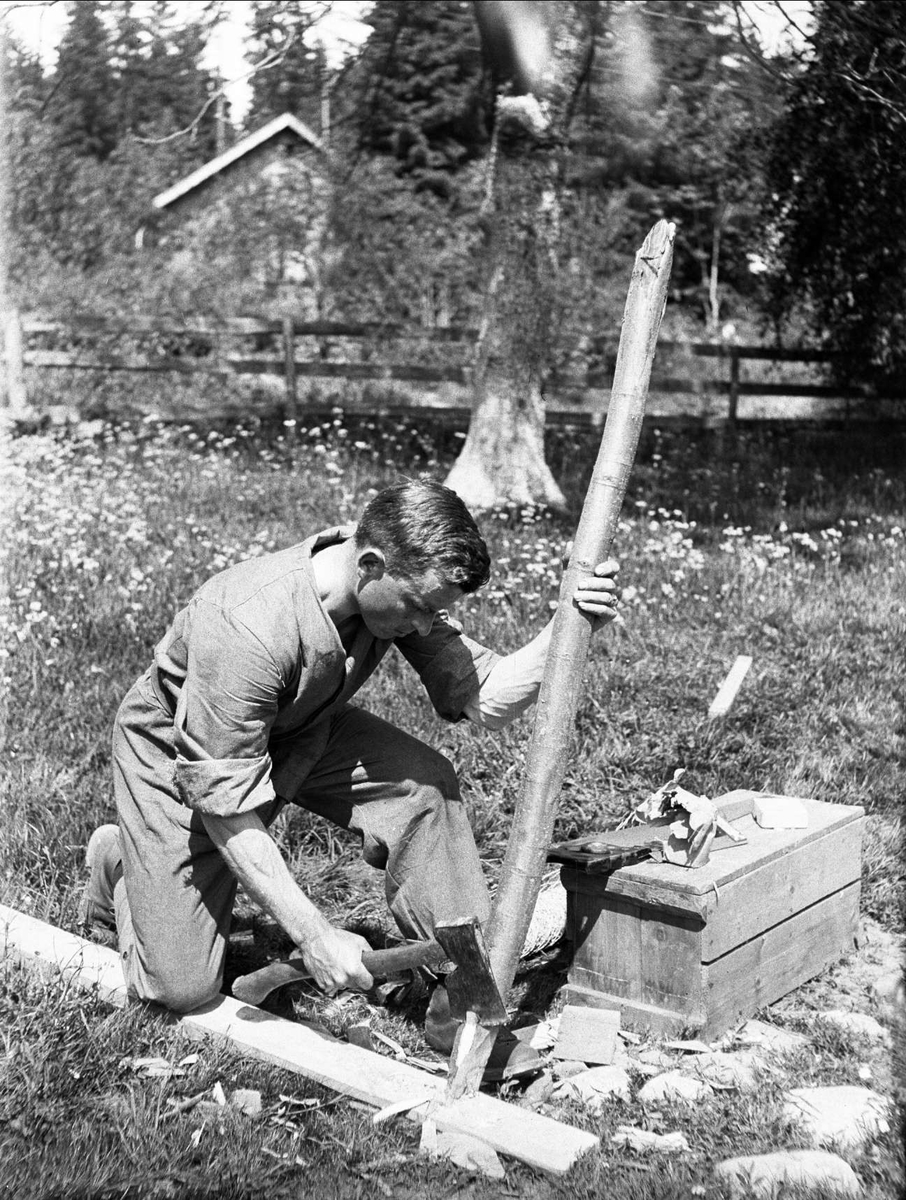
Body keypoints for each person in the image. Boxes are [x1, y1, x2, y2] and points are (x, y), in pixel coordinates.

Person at [80, 479, 620, 1078]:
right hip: (180, 755)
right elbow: (228, 808)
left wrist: (569, 622)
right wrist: (313, 934)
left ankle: (462, 1004)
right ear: (369, 565)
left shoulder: (394, 589)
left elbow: (486, 698)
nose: (423, 627)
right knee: (180, 987)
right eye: (417, 607)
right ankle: (122, 869)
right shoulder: (246, 625)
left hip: (303, 725)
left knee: (424, 784)